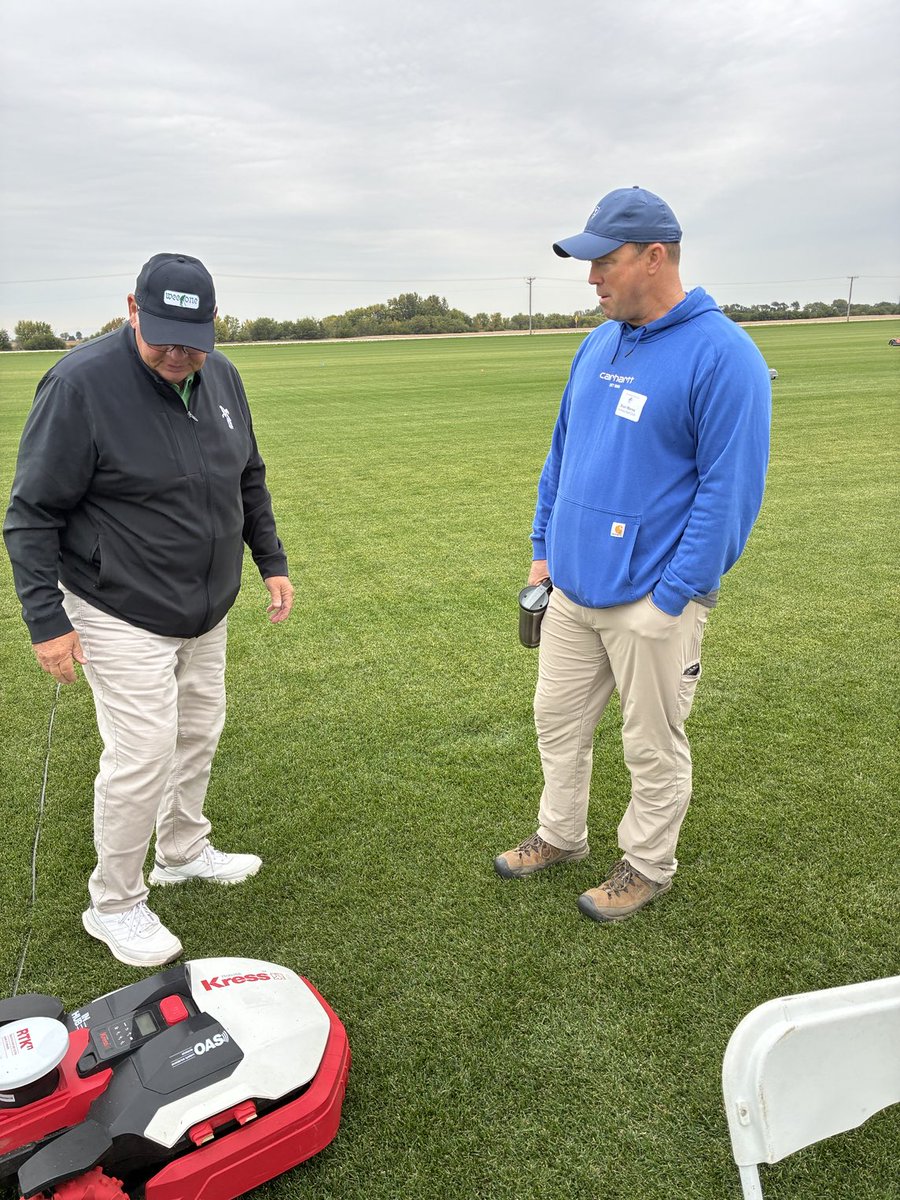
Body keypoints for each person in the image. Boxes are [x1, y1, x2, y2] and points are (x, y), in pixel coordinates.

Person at [4, 253, 294, 966]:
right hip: (117, 605)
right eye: (163, 334)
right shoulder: (79, 384)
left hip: (205, 605)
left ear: (213, 326)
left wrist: (271, 561)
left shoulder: (220, 375)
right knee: (142, 754)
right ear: (132, 309)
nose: (178, 352)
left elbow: (246, 476)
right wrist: (48, 622)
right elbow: (31, 512)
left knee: (198, 729)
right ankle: (116, 903)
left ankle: (183, 850)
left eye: (193, 338)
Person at [494, 188, 771, 922]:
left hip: (653, 603)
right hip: (572, 593)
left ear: (656, 257)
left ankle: (647, 865)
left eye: (605, 263)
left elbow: (728, 493)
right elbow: (563, 457)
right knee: (556, 721)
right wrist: (541, 555)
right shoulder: (598, 342)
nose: (593, 280)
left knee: (650, 745)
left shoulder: (724, 356)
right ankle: (561, 835)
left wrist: (673, 597)